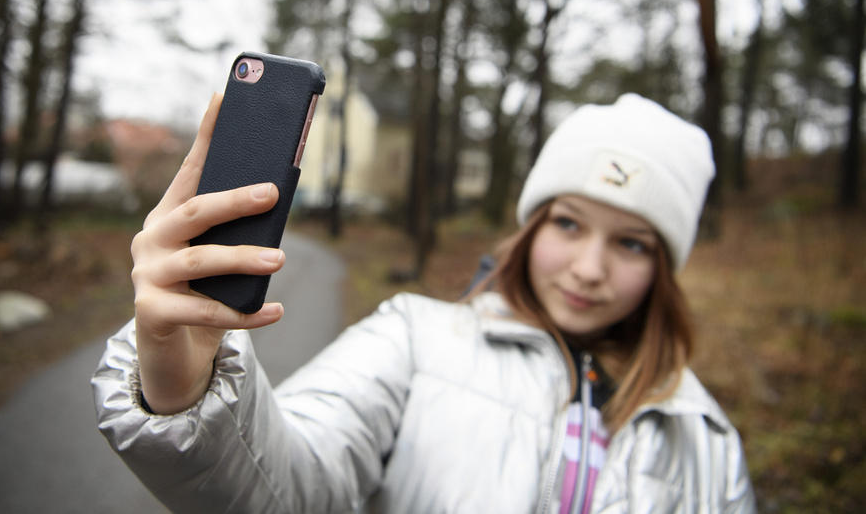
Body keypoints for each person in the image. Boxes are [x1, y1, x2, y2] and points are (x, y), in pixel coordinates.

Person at [93, 92, 756, 513]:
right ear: (531, 228)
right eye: (569, 223)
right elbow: (285, 489)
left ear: (664, 268)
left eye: (633, 243)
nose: (590, 268)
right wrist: (188, 380)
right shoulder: (415, 339)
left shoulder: (706, 440)